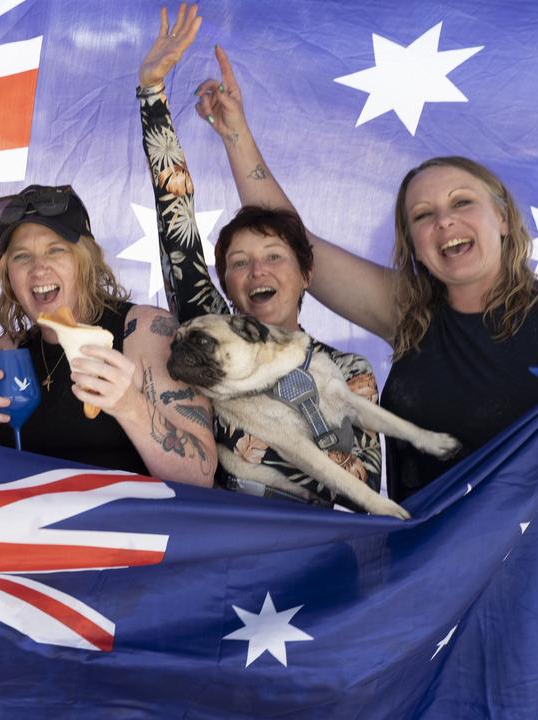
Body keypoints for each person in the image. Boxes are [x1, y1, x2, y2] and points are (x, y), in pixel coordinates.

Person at [192, 38, 538, 718]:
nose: (444, 221)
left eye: (462, 203)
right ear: (412, 243)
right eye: (423, 215)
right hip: (437, 590)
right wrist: (236, 134)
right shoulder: (411, 316)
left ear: (503, 218)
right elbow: (292, 239)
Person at [138, 5, 383, 510]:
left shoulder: (346, 367)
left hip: (304, 571)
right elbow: (174, 210)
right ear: (226, 284)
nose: (258, 271)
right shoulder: (206, 330)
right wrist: (152, 93)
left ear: (305, 274)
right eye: (241, 262)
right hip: (210, 563)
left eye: (274, 256)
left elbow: (365, 491)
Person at [0, 181, 216, 487]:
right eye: (21, 256)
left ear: (86, 261)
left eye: (56, 250)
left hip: (133, 529)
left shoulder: (143, 330)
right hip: (37, 529)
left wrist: (128, 405)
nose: (39, 268)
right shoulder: (9, 349)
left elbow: (200, 474)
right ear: (8, 275)